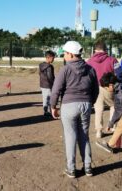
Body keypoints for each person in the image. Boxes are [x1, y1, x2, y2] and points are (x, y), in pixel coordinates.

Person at [51, 41, 99, 178]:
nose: (63, 55)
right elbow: (95, 90)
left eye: (65, 53)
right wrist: (91, 103)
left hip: (69, 105)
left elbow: (56, 90)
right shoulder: (90, 69)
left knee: (70, 136)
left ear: (71, 54)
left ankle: (71, 168)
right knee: (84, 135)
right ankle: (88, 167)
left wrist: (53, 106)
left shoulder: (65, 69)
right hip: (86, 105)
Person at [87, 41, 118, 138]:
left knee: (98, 110)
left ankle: (99, 131)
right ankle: (112, 126)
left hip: (95, 88)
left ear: (95, 49)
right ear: (105, 49)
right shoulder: (113, 60)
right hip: (109, 87)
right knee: (114, 106)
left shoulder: (89, 61)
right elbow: (118, 74)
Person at [96, 67, 122, 153]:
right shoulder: (118, 86)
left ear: (111, 85)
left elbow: (118, 111)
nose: (107, 90)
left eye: (106, 88)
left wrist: (110, 124)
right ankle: (118, 145)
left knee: (120, 125)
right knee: (120, 124)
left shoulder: (119, 94)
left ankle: (110, 145)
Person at [39, 50, 55, 117]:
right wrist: (54, 84)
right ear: (49, 57)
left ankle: (46, 111)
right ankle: (47, 112)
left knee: (45, 99)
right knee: (49, 99)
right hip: (48, 85)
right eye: (53, 58)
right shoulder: (49, 67)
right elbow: (50, 77)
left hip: (42, 85)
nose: (54, 59)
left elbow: (39, 74)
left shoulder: (41, 65)